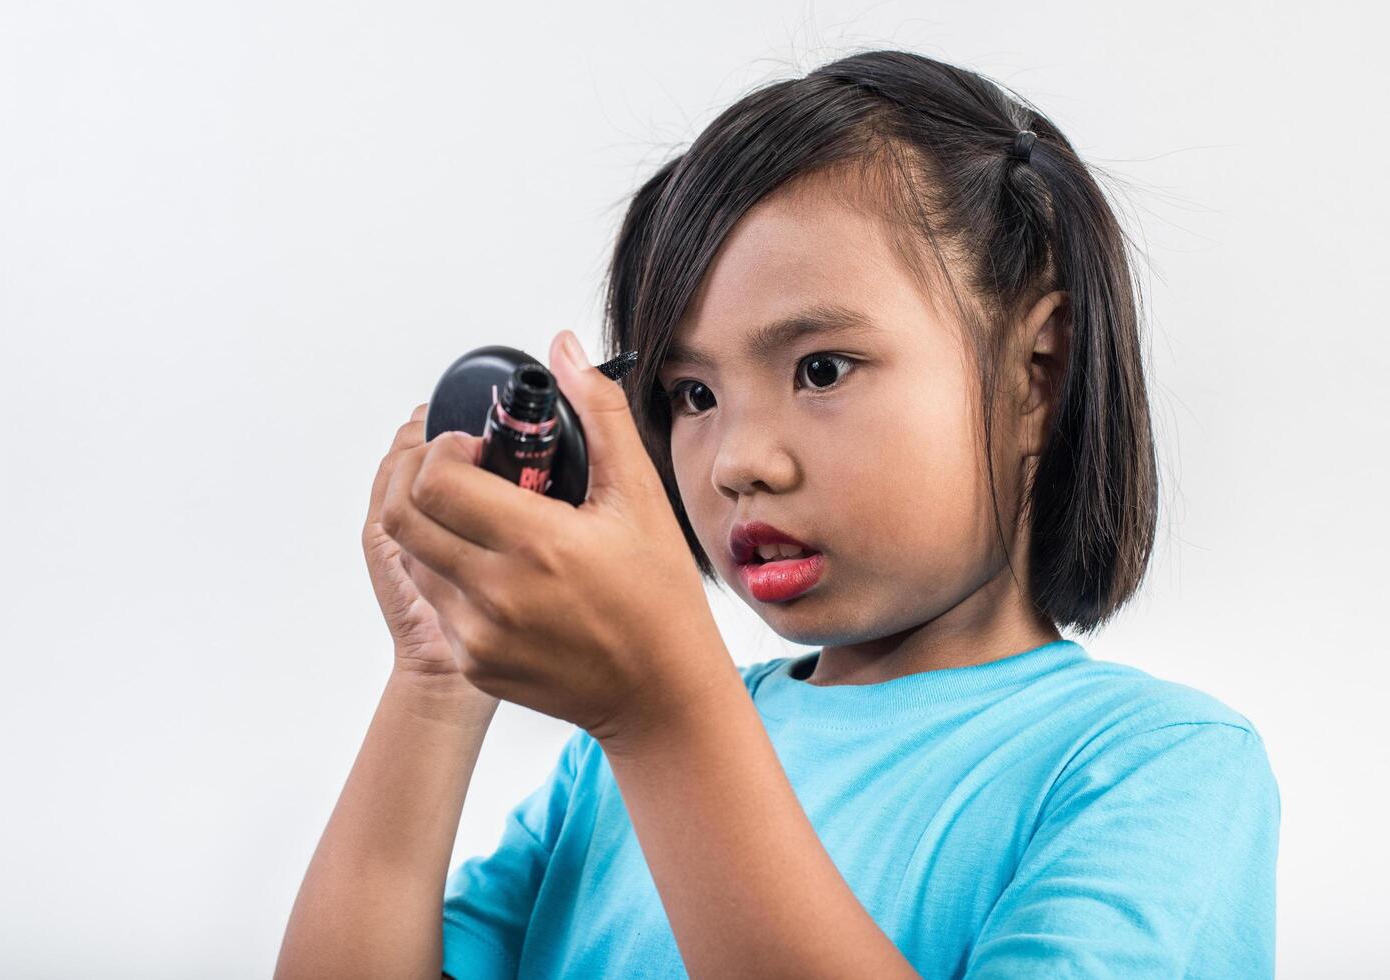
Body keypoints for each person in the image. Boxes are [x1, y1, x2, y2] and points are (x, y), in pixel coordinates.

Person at [275, 48, 1280, 980]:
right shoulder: (601, 771)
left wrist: (663, 712)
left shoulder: (1153, 765)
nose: (737, 463)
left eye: (819, 369)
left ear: (1036, 374)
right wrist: (437, 671)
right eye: (690, 395)